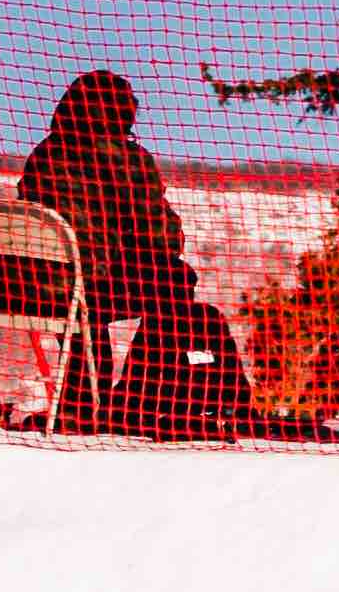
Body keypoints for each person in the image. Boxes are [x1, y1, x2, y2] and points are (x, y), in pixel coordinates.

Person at [13, 68, 243, 441]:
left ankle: (84, 405)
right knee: (175, 279)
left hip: (25, 285)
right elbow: (158, 235)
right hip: (82, 285)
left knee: (87, 305)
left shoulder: (42, 154)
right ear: (122, 114)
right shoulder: (124, 159)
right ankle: (138, 396)